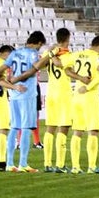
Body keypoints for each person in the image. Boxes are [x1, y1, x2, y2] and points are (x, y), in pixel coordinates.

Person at [0, 31, 49, 172]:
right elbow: (35, 67)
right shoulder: (33, 54)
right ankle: (23, 163)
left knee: (14, 127)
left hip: (14, 94)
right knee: (26, 127)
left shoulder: (14, 53)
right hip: (27, 93)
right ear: (39, 43)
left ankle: (10, 163)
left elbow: (1, 68)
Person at [63, 35, 99, 174]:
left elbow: (65, 68)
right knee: (93, 131)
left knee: (77, 131)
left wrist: (79, 78)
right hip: (90, 97)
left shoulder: (77, 54)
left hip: (76, 95)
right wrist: (87, 85)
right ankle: (92, 167)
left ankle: (75, 167)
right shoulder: (97, 57)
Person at [42, 27, 75, 172]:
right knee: (63, 128)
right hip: (63, 95)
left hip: (51, 94)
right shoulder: (69, 55)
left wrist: (51, 53)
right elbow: (59, 64)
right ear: (68, 38)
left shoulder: (47, 53)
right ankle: (60, 165)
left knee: (50, 129)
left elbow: (42, 64)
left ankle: (47, 163)